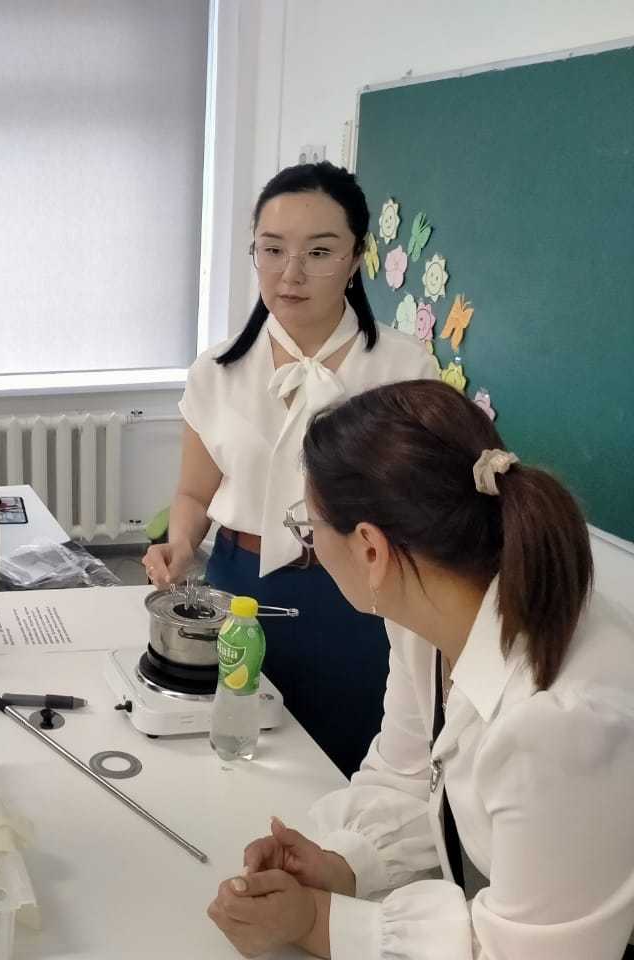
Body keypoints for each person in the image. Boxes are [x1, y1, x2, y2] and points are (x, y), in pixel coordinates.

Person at [207, 380, 634, 960]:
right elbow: (410, 776)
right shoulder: (427, 615)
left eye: (309, 529)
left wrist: (318, 923)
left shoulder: (559, 726)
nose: (310, 546)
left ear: (370, 549)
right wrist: (340, 863)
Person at [143, 162, 436, 775]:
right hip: (238, 592)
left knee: (350, 766)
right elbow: (195, 494)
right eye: (272, 250)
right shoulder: (217, 370)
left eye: (319, 252)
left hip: (361, 598)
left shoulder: (405, 369)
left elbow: (422, 510)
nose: (290, 273)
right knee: (234, 758)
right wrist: (180, 544)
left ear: (356, 258)